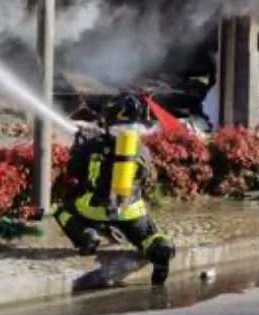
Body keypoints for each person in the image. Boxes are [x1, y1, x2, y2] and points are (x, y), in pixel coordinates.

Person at [55, 94, 175, 285]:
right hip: (130, 211)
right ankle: (158, 248)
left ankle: (86, 235)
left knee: (61, 211)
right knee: (149, 236)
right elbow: (146, 177)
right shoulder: (141, 149)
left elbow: (73, 171)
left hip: (93, 209)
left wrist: (79, 146)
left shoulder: (92, 145)